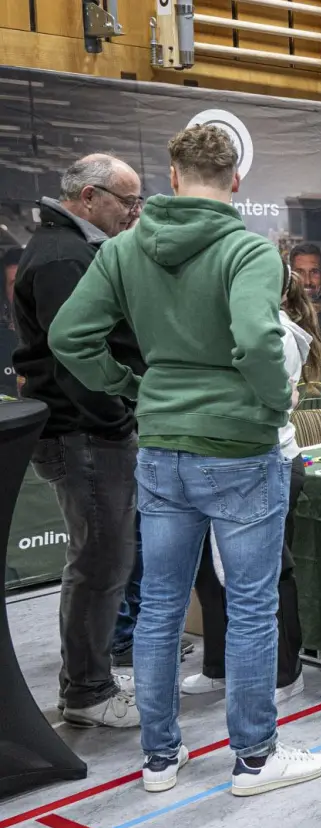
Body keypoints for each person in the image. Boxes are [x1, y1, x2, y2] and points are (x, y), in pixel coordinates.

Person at [51, 125, 321, 795]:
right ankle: (256, 759)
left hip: (161, 447)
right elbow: (260, 344)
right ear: (235, 181)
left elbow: (69, 336)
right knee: (251, 607)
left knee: (158, 611)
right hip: (239, 450)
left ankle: (159, 759)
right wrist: (270, 409)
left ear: (173, 178)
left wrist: (131, 387)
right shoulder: (248, 252)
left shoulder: (122, 250)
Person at [12, 153, 143, 728]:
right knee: (99, 561)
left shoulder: (72, 247)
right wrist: (115, 418)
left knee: (103, 559)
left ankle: (90, 680)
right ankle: (88, 692)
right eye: (126, 201)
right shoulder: (65, 256)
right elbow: (75, 357)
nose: (132, 213)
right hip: (84, 431)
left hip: (88, 428)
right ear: (89, 197)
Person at [184, 268, 321, 703]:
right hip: (221, 462)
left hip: (270, 462)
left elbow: (265, 397)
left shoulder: (278, 333)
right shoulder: (227, 324)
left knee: (269, 574)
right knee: (210, 573)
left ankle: (286, 673)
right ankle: (219, 666)